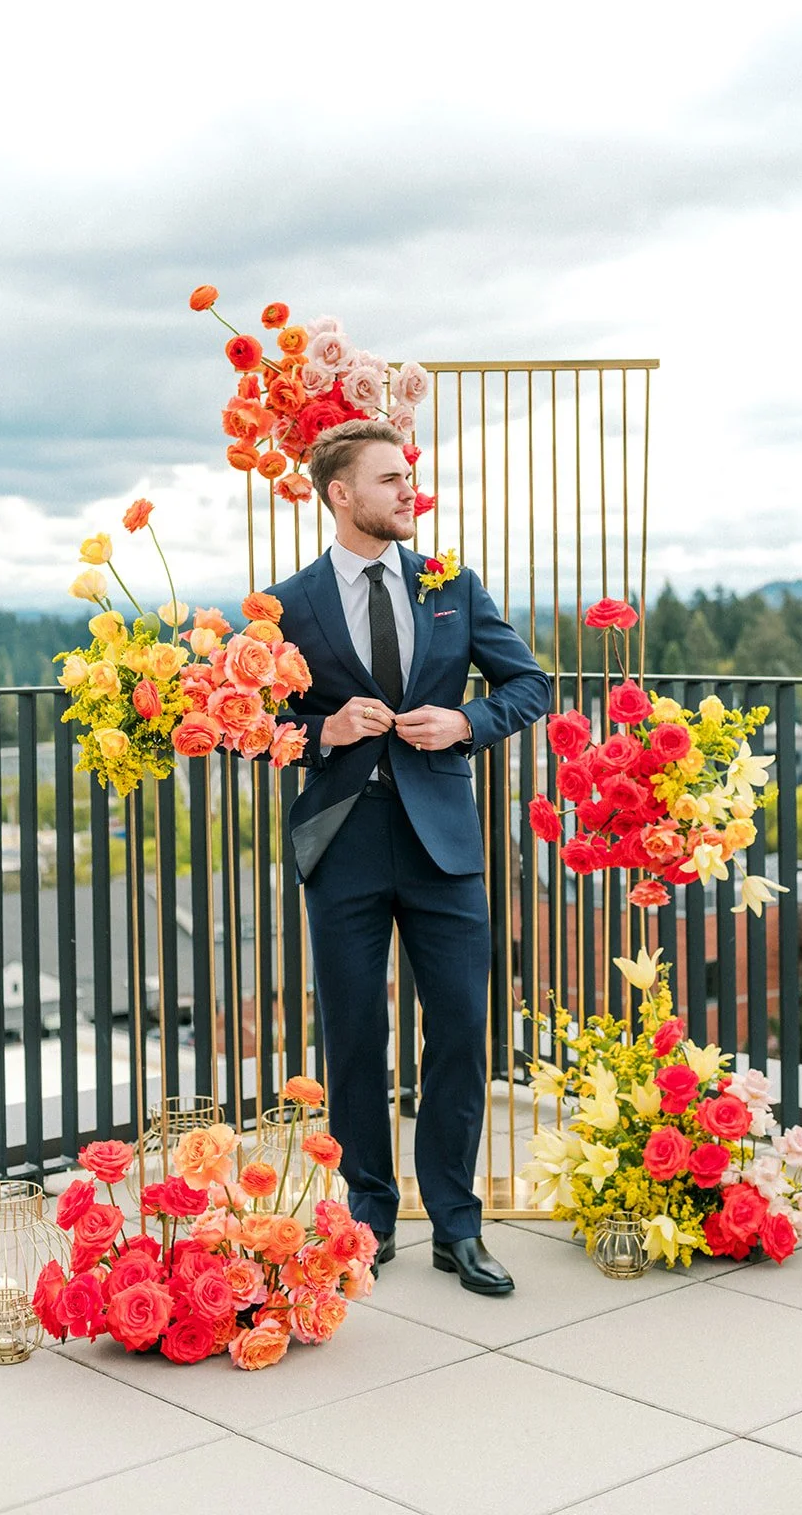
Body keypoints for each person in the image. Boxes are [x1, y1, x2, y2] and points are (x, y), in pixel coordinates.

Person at [266, 419, 551, 1296]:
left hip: (444, 846)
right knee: (355, 1038)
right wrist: (324, 730)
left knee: (462, 1032)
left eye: (410, 479)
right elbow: (253, 729)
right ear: (341, 495)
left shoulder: (450, 584)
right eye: (390, 481)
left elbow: (529, 685)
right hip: (342, 845)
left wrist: (465, 722)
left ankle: (457, 1227)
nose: (409, 493)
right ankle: (368, 1220)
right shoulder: (285, 604)